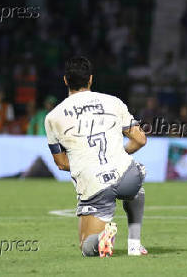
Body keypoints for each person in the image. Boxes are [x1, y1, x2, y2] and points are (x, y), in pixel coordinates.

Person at [45, 56, 147, 257]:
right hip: (127, 176)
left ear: (65, 80)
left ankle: (103, 238)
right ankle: (134, 244)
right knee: (136, 188)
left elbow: (61, 163)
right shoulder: (113, 102)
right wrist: (118, 153)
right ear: (90, 79)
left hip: (95, 185)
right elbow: (140, 140)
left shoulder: (53, 117)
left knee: (87, 248)